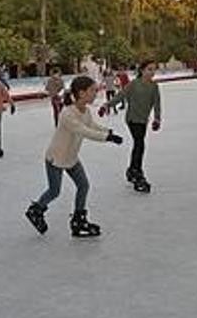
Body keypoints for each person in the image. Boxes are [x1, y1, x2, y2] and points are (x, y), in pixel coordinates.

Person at [24, 76, 123, 237]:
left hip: (71, 157)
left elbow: (92, 125)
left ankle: (78, 219)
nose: (96, 94)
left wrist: (108, 132)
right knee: (54, 191)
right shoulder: (67, 114)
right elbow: (84, 131)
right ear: (81, 93)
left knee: (83, 186)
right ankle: (36, 210)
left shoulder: (86, 111)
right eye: (93, 91)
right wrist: (107, 138)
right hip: (56, 158)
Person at [101, 61, 162, 193]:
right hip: (132, 119)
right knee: (139, 143)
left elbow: (157, 103)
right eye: (149, 69)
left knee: (139, 144)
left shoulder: (154, 86)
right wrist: (107, 105)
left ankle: (132, 169)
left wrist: (157, 119)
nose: (152, 72)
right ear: (142, 70)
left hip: (143, 120)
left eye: (154, 70)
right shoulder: (134, 84)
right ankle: (136, 171)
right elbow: (120, 96)